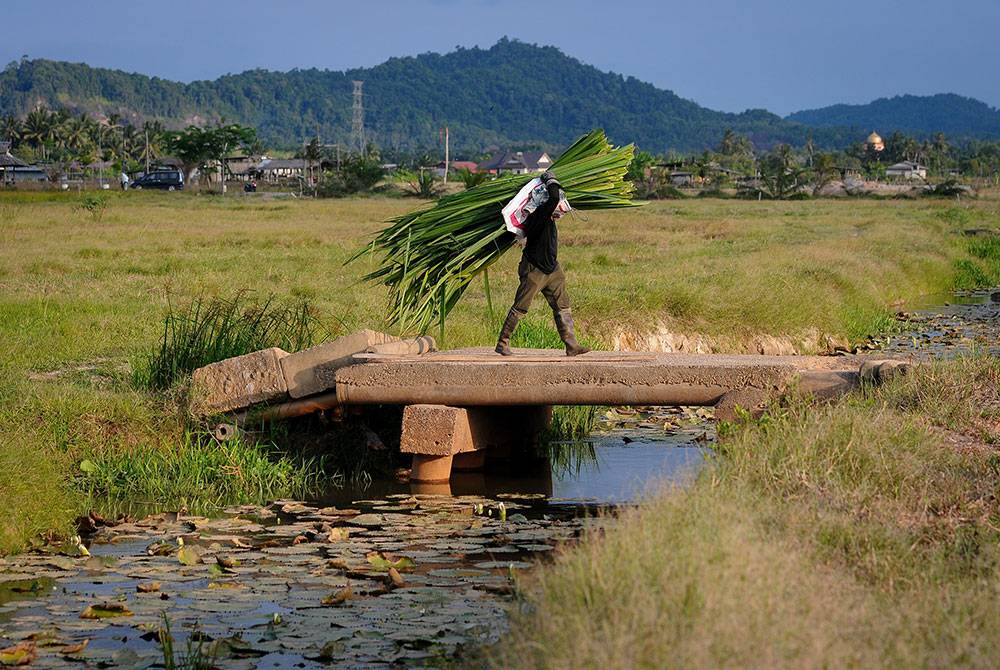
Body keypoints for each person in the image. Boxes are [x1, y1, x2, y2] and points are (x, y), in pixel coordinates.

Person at [495, 171, 590, 357]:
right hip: (535, 268)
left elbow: (554, 201)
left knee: (562, 305)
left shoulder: (546, 217)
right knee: (521, 305)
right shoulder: (537, 216)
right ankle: (502, 342)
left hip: (552, 268)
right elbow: (553, 196)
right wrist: (550, 179)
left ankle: (572, 345)